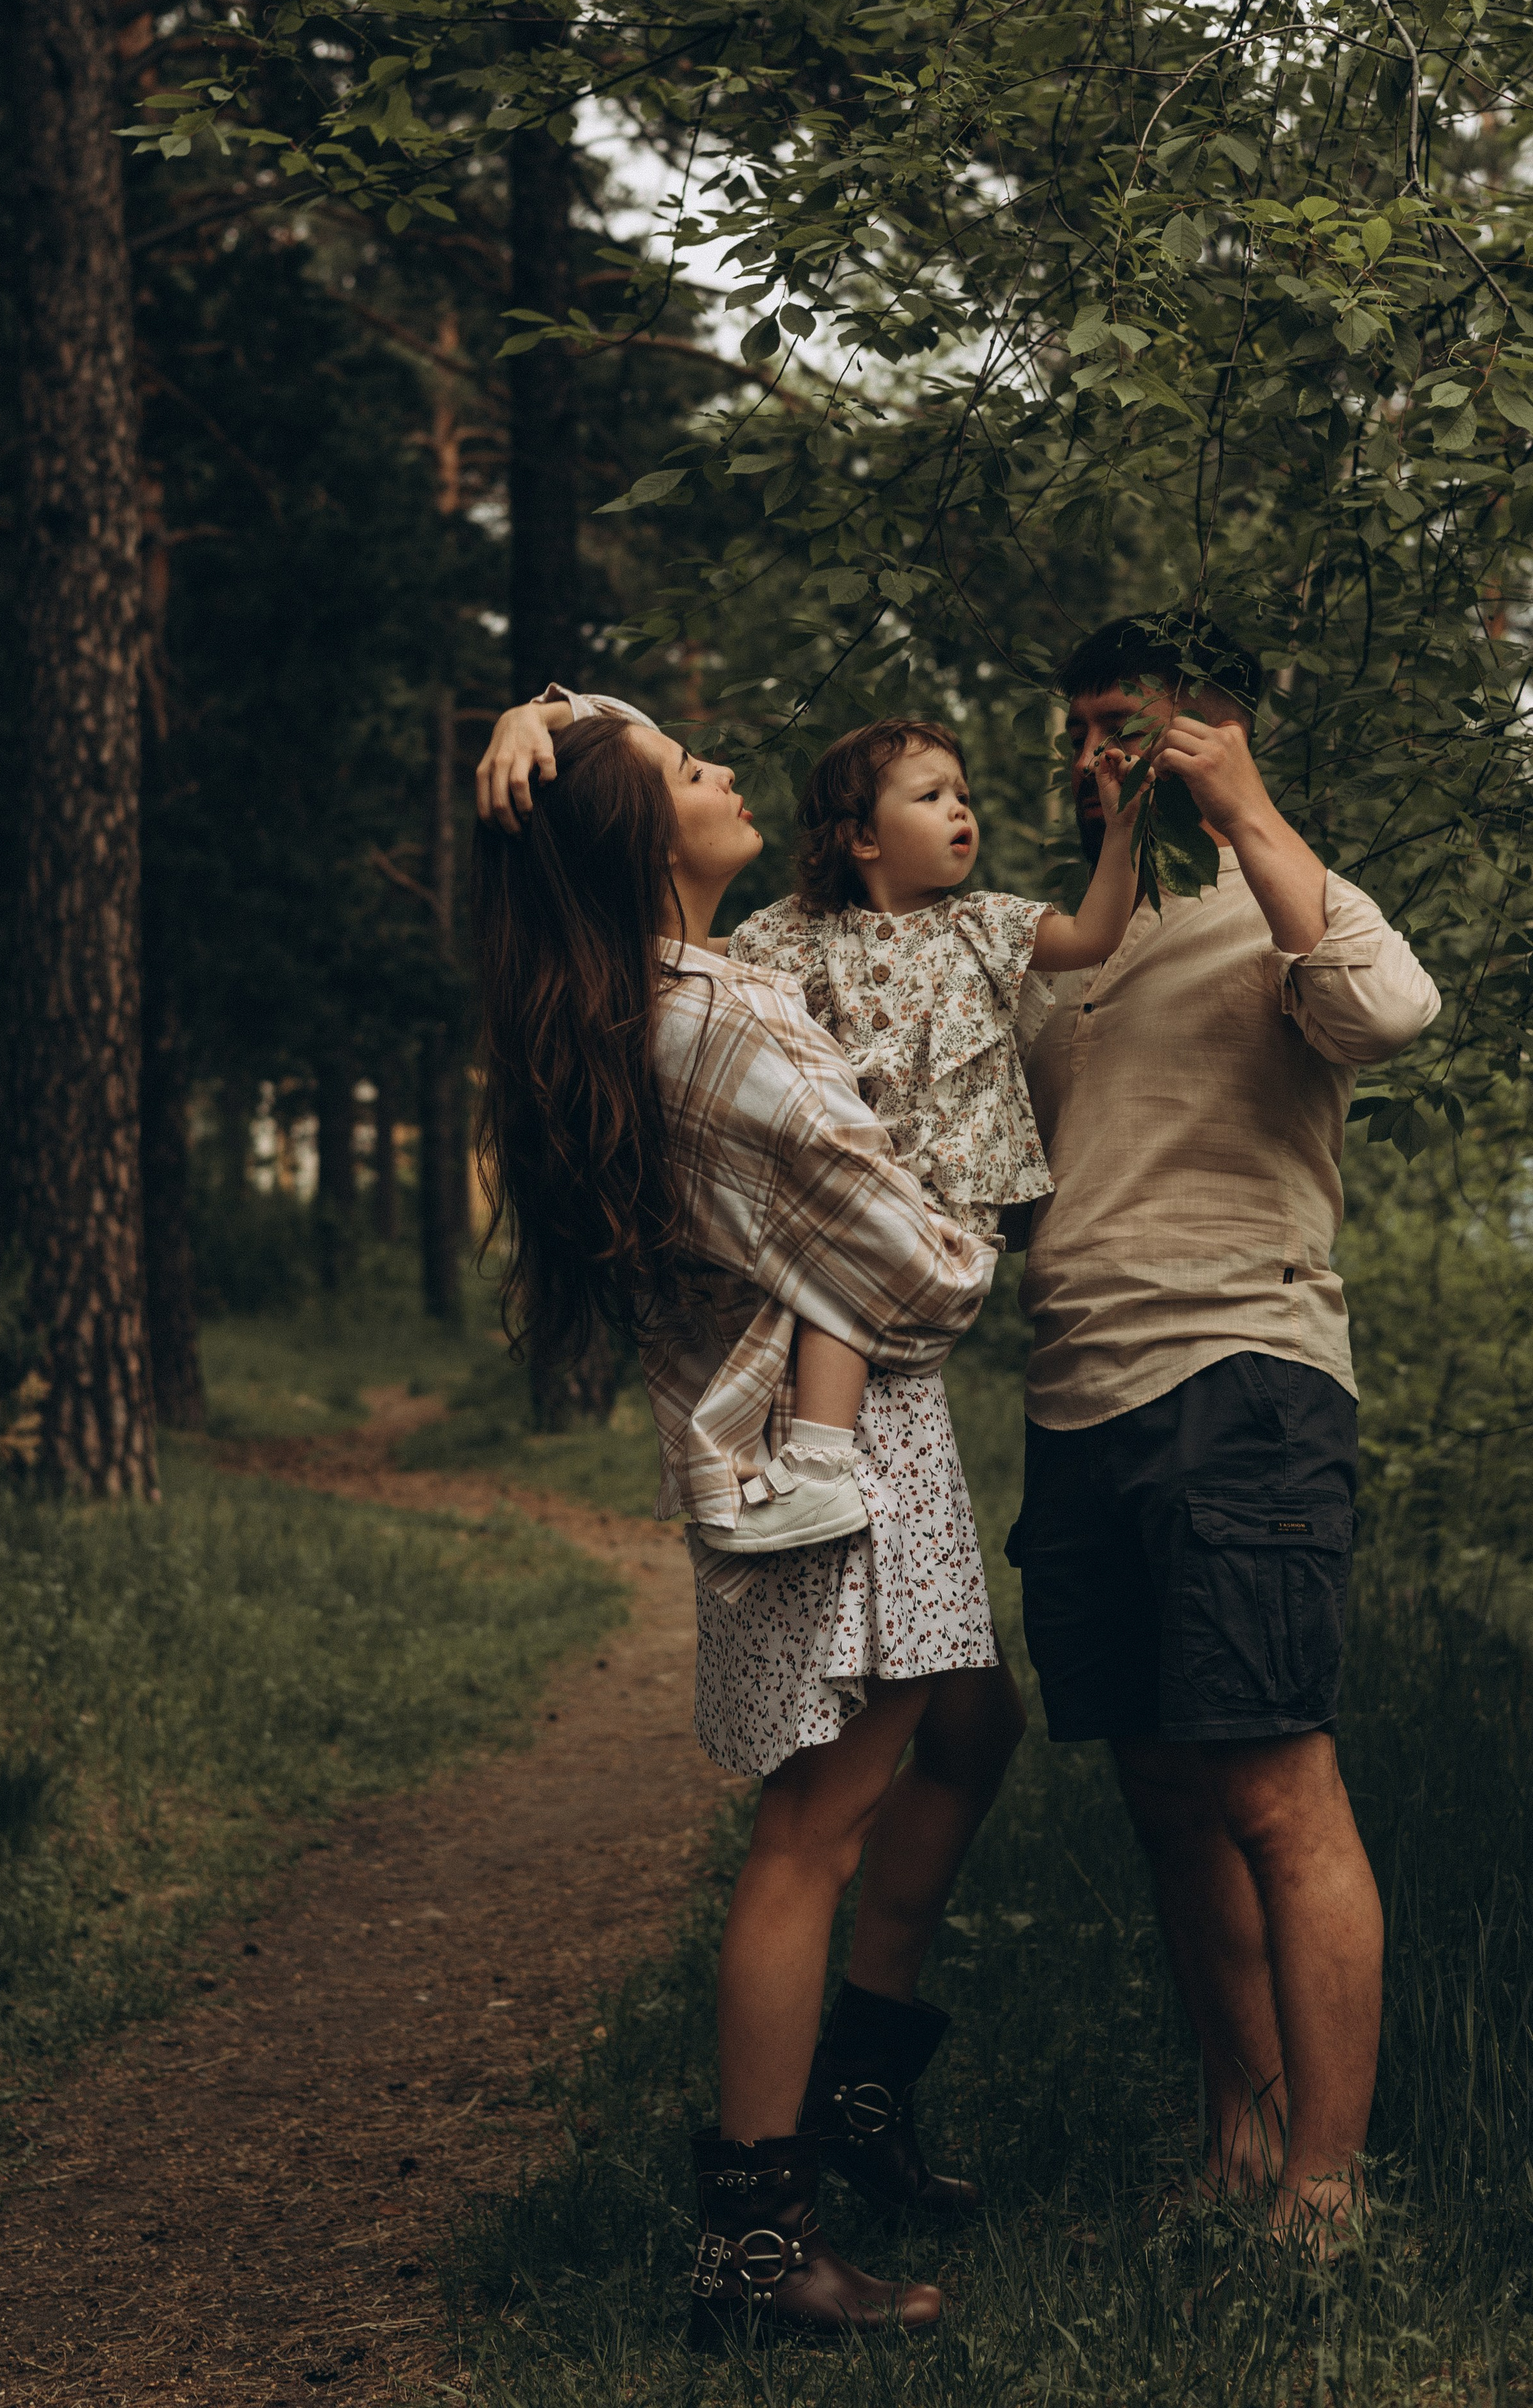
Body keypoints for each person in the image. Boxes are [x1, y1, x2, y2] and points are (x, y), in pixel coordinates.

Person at [473, 712, 1027, 2348]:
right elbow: (925, 1264)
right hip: (831, 1479)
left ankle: (837, 2115)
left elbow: (585, 777)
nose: (719, 771)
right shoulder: (715, 1021)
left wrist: (534, 717)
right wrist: (960, 1243)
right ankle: (754, 2235)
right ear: (644, 835)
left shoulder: (630, 993)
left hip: (841, 1457)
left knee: (945, 1738)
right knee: (812, 1823)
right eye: (688, 770)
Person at [1009, 612, 1440, 2249]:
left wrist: (1246, 810)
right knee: (1164, 1788)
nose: (1097, 755)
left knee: (1270, 1780)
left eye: (1130, 725)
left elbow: (1388, 1015)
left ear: (1213, 730)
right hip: (1075, 1394)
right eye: (1083, 731)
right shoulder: (1068, 945)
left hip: (1240, 1375)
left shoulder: (1285, 907)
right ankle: (1240, 2144)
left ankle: (1326, 2196)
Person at [479, 700, 1139, 1566]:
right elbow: (682, 946)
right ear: (862, 838)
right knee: (830, 1300)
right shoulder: (781, 944)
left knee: (942, 1669)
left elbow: (1097, 933)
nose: (961, 811)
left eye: (963, 795)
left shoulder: (983, 924)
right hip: (862, 1252)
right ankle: (819, 1462)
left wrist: (542, 710)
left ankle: (816, 1462)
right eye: (932, 795)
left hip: (942, 1191)